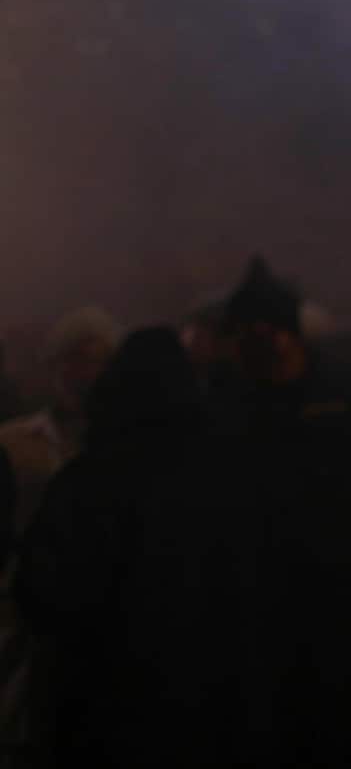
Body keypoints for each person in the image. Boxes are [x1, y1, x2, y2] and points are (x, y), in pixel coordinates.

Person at [16, 328, 255, 768]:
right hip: (204, 705)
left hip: (99, 709)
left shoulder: (86, 482)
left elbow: (38, 591)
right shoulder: (231, 481)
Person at [217, 258, 351, 768]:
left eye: (263, 330)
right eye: (243, 333)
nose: (254, 343)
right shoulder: (228, 404)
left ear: (289, 333)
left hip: (340, 607)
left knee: (339, 731)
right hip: (252, 612)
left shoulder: (350, 401)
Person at [0, 306, 119, 769]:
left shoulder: (121, 450)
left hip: (94, 621)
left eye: (96, 361)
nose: (83, 373)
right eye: (73, 360)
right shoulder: (12, 443)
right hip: (17, 614)